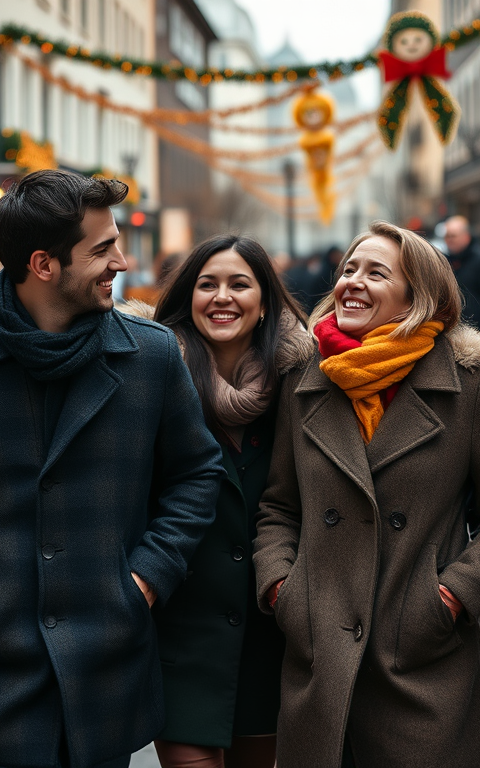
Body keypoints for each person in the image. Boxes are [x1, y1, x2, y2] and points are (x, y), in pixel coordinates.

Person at [0, 169, 225, 768]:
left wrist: (142, 579)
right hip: (1, 661)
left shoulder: (152, 354)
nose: (121, 260)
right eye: (102, 248)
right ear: (43, 264)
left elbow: (197, 474)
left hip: (110, 658)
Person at [253, 221, 480, 768]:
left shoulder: (467, 384)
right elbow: (278, 506)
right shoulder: (303, 377)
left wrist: (449, 597)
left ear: (418, 297)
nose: (352, 283)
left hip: (424, 661)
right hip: (322, 656)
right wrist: (284, 590)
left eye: (375, 273)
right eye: (348, 270)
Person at [146, 235, 314, 768]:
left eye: (240, 284)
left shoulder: (304, 384)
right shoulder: (149, 379)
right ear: (187, 297)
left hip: (274, 636)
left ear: (264, 301)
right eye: (207, 284)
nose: (222, 297)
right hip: (179, 634)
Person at [443, 215, 480, 328]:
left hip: (478, 327)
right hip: (453, 326)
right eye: (447, 236)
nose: (449, 240)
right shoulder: (444, 260)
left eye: (453, 236)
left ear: (466, 237)